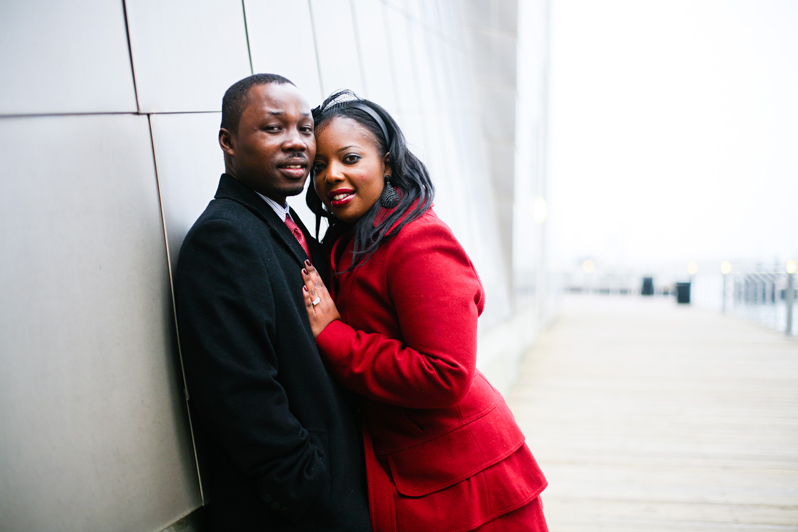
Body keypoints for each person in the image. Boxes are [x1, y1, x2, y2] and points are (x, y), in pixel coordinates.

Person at [300, 89, 548, 532]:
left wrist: (334, 335)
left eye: (350, 158)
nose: (332, 175)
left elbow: (445, 372)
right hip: (415, 474)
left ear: (388, 163)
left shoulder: (418, 241)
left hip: (466, 480)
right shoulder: (349, 240)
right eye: (319, 166)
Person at [174, 75, 371, 532]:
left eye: (305, 129)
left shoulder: (282, 223)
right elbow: (240, 393)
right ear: (228, 141)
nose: (297, 143)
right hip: (300, 514)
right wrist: (310, 488)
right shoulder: (224, 238)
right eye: (273, 128)